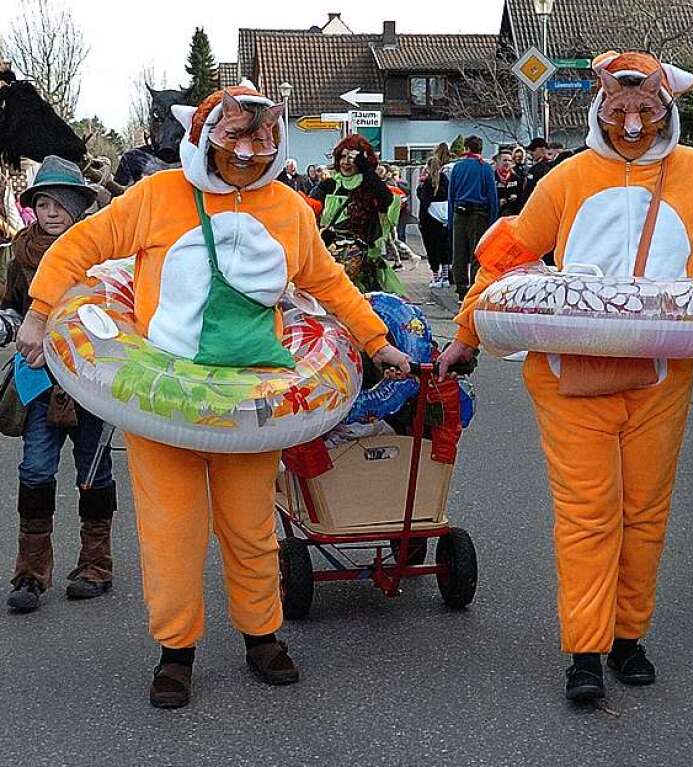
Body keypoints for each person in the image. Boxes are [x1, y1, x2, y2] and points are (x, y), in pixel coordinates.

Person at [16, 87, 411, 708]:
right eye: (235, 139)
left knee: (250, 528)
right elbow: (83, 247)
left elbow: (326, 282)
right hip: (161, 398)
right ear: (203, 137)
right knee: (172, 531)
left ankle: (262, 636)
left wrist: (376, 340)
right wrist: (40, 314)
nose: (249, 154)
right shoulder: (156, 195)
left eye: (263, 141)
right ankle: (176, 651)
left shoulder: (287, 209)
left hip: (251, 403)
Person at [438, 50, 693, 701]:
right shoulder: (567, 178)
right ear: (600, 106)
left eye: (645, 110)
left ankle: (628, 636)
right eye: (619, 110)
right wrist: (464, 333)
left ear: (666, 109)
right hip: (570, 375)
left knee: (644, 513)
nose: (631, 123)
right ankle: (586, 650)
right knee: (588, 515)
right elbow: (508, 254)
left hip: (661, 375)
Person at [1, 156, 116, 614]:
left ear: (76, 207)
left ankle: (96, 565)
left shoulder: (99, 254)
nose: (49, 212)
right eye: (42, 203)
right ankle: (30, 575)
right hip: (37, 383)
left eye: (58, 204)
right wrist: (6, 326)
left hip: (91, 382)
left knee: (93, 472)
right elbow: (11, 308)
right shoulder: (17, 254)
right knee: (34, 471)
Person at [311, 135, 404, 294]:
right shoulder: (329, 185)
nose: (346, 162)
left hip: (361, 266)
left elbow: (386, 200)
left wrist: (367, 170)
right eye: (343, 156)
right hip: (330, 261)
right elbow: (308, 211)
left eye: (352, 158)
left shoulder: (370, 186)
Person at [447, 135, 498, 300]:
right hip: (479, 214)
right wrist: (492, 221)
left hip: (459, 212)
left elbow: (451, 195)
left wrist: (450, 219)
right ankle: (475, 288)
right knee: (477, 252)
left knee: (459, 252)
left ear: (466, 149)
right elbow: (492, 196)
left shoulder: (457, 168)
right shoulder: (485, 168)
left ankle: (461, 287)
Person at [417, 157, 451, 287]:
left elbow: (424, 202)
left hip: (430, 220)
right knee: (444, 247)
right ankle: (445, 277)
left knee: (432, 249)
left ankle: (436, 277)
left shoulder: (427, 183)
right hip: (444, 218)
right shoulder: (445, 181)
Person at [520, 137, 551, 205]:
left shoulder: (544, 167)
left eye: (534, 150)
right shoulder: (535, 166)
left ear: (542, 149)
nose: (532, 153)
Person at [494, 149, 521, 217]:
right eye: (505, 160)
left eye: (509, 161)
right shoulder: (492, 178)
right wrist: (497, 202)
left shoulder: (516, 178)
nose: (507, 163)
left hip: (512, 215)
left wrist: (517, 197)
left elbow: (522, 195)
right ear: (498, 162)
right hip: (496, 216)